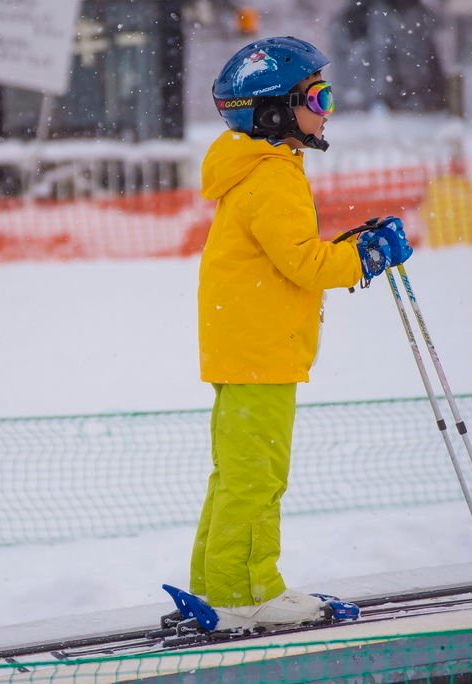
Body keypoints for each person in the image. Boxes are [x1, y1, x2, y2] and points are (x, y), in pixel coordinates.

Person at [189, 36, 413, 630]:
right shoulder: (274, 178)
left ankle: (216, 588)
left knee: (235, 478)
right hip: (262, 354)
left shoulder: (255, 170)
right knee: (258, 480)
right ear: (273, 112)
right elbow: (304, 264)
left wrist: (351, 248)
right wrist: (365, 259)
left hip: (243, 349)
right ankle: (248, 594)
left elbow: (288, 256)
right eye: (318, 95)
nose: (326, 108)